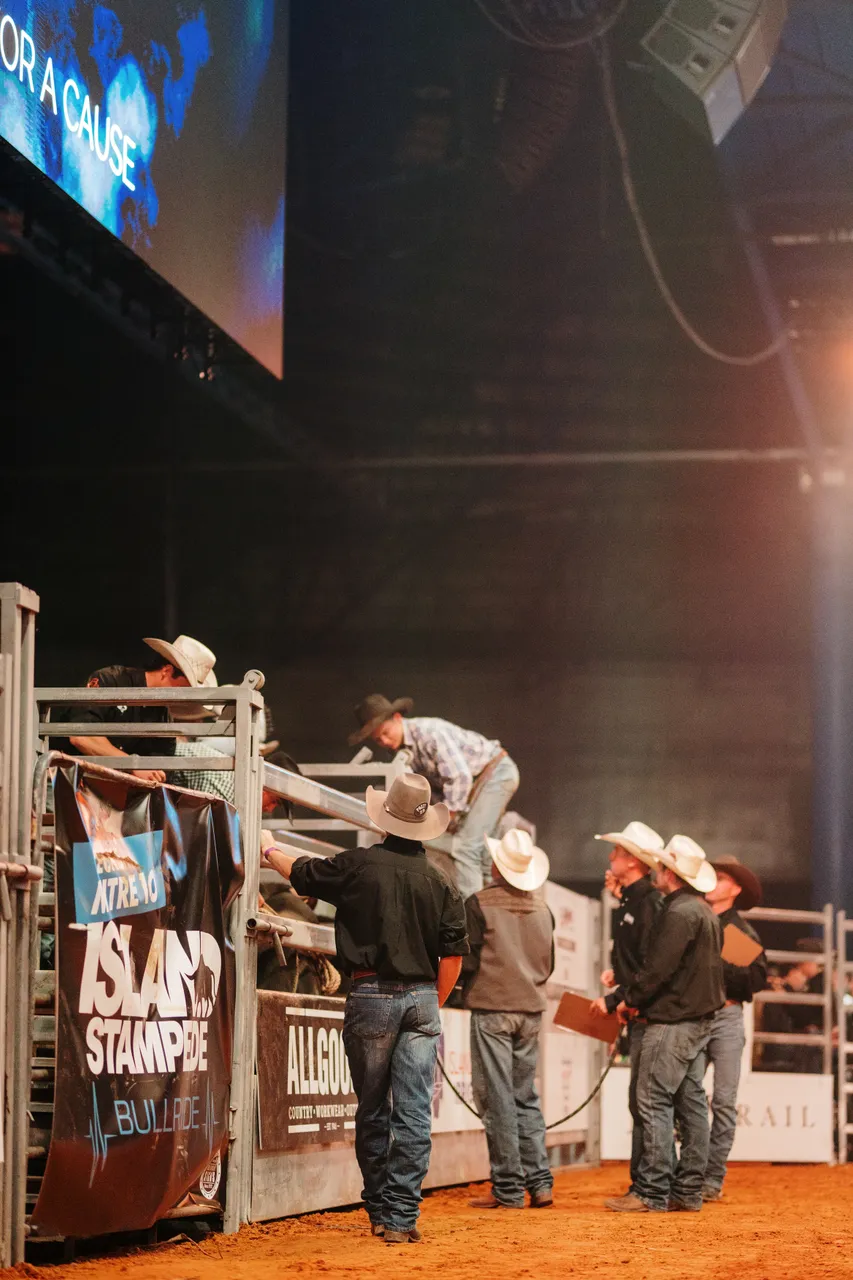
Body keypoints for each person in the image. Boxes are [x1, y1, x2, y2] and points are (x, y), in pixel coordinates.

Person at [260, 772, 468, 1245]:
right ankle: (400, 1215)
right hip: (420, 998)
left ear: (385, 820)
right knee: (414, 1113)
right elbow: (453, 956)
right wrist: (431, 1002)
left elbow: (303, 872)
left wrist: (270, 849)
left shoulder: (358, 867)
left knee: (373, 1108)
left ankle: (379, 1207)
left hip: (370, 993)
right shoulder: (441, 881)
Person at [604, 835, 723, 1214]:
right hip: (697, 1021)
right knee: (690, 1105)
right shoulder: (703, 912)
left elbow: (657, 970)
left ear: (669, 872)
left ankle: (652, 1190)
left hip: (671, 1020)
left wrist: (628, 1000)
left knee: (653, 1099)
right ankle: (688, 1189)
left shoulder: (678, 913)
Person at [462, 828, 554, 1211]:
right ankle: (541, 1181)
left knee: (497, 1098)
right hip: (530, 1009)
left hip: (493, 1007)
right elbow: (548, 966)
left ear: (496, 866)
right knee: (524, 1096)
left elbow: (466, 961)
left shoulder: (479, 903)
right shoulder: (543, 909)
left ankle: (508, 1187)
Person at [348, 693, 519, 899]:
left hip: (494, 773)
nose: (384, 741)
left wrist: (447, 817)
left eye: (385, 732)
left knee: (466, 849)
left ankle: (473, 920)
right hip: (475, 785)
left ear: (397, 718)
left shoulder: (429, 733)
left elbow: (459, 776)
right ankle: (488, 908)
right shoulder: (398, 753)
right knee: (479, 853)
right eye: (377, 739)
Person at [590, 821, 664, 1199]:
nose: (611, 857)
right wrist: (620, 984)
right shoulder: (638, 901)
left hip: (648, 1015)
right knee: (647, 1102)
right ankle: (648, 1186)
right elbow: (641, 961)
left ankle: (649, 1187)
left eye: (617, 852)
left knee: (648, 1103)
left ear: (633, 861)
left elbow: (650, 965)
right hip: (642, 1012)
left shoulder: (648, 903)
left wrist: (619, 998)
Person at [54, 634, 216, 784]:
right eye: (182, 689)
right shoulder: (112, 681)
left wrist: (153, 774)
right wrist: (134, 764)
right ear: (166, 671)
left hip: (109, 793)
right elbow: (81, 737)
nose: (182, 698)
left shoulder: (163, 715)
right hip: (62, 779)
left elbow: (162, 764)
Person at [702, 855, 765, 1201]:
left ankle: (711, 1178)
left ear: (735, 889)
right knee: (690, 1095)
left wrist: (722, 963)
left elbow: (755, 980)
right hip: (701, 1015)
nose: (713, 881)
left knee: (722, 1101)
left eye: (721, 878)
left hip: (723, 1015)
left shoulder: (738, 931)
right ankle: (697, 1173)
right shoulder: (704, 921)